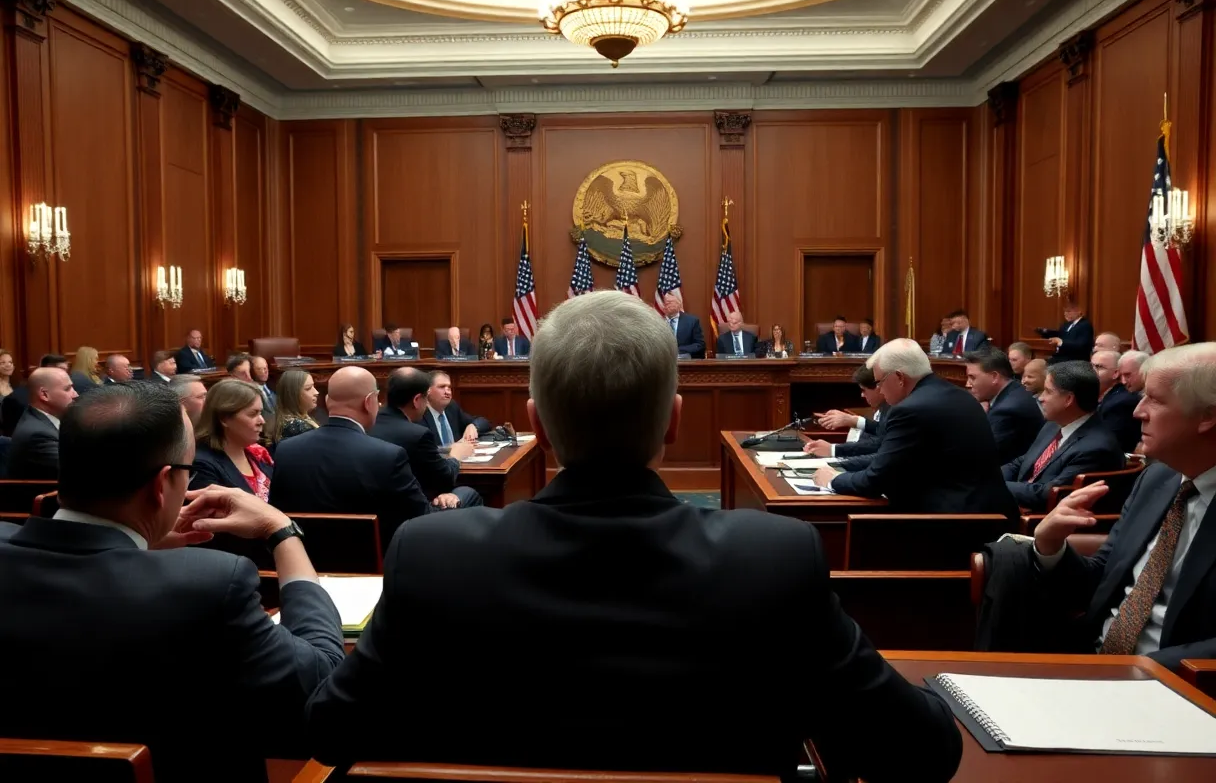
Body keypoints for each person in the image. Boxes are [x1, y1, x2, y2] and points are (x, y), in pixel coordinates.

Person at [304, 290, 963, 782]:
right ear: (675, 421)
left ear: (538, 420)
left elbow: (330, 730)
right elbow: (923, 751)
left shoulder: (431, 554)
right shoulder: (775, 558)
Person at [0, 381, 344, 781]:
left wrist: (139, 545)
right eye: (188, 468)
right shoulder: (209, 585)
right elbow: (320, 684)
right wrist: (282, 532)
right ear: (163, 484)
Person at [1030, 342, 1216, 669]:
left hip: (1177, 690)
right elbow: (1102, 577)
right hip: (1092, 660)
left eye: (1155, 399)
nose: (1137, 410)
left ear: (1208, 416)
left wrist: (1140, 671)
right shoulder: (1156, 479)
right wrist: (1050, 545)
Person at [813, 339, 1015, 517]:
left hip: (954, 523)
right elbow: (894, 459)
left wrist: (833, 480)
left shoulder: (910, 409)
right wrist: (842, 465)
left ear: (900, 378)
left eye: (879, 382)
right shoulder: (959, 395)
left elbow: (875, 481)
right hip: (989, 512)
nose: (880, 390)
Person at [270, 366, 431, 550]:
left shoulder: (287, 450)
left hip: (302, 565)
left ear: (328, 401)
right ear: (369, 402)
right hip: (374, 570)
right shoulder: (388, 456)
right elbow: (420, 516)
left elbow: (277, 516)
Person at [1002, 361, 1123, 513]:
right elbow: (1023, 462)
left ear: (1068, 399)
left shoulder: (1096, 449)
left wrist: (995, 484)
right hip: (1017, 504)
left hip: (1039, 522)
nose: (1041, 398)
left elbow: (1047, 495)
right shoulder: (1053, 425)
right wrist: (987, 477)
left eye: (1048, 391)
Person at [371, 367, 484, 510]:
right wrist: (455, 456)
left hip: (376, 511)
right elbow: (445, 479)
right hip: (414, 513)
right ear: (417, 400)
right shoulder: (418, 434)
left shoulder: (369, 424)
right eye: (426, 398)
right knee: (468, 493)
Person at [190, 379, 273, 500]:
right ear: (225, 419)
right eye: (252, 414)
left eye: (260, 413)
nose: (262, 421)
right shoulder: (201, 465)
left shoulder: (256, 454)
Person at [965, 351, 1044, 465]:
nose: (968, 384)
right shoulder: (1016, 388)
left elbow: (980, 455)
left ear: (994, 377)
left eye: (972, 377)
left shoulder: (1006, 410)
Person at [803, 365, 887, 460]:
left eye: (864, 390)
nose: (862, 395)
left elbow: (877, 446)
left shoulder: (894, 410)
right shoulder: (882, 408)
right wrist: (852, 420)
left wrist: (833, 450)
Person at [8, 367, 78, 480]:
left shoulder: (44, 420)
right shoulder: (37, 435)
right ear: (44, 394)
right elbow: (78, 470)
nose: (75, 394)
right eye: (68, 389)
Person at [423, 370, 491, 447]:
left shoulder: (451, 407)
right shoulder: (420, 414)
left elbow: (484, 422)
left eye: (449, 387)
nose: (448, 392)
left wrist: (473, 426)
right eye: (442, 387)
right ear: (427, 390)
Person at [1094, 349, 1142, 452]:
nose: (1092, 372)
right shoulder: (1100, 397)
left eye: (1098, 367)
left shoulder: (1121, 403)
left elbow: (1106, 447)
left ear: (1116, 373)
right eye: (1090, 367)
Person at [271, 369, 321, 444]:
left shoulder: (289, 419)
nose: (316, 392)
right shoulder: (299, 428)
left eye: (314, 386)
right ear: (293, 395)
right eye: (308, 388)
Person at [661, 292, 705, 359]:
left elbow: (699, 345)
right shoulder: (658, 322)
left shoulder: (692, 322)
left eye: (671, 302)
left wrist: (678, 350)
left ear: (679, 304)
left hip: (684, 361)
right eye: (666, 303)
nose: (668, 304)